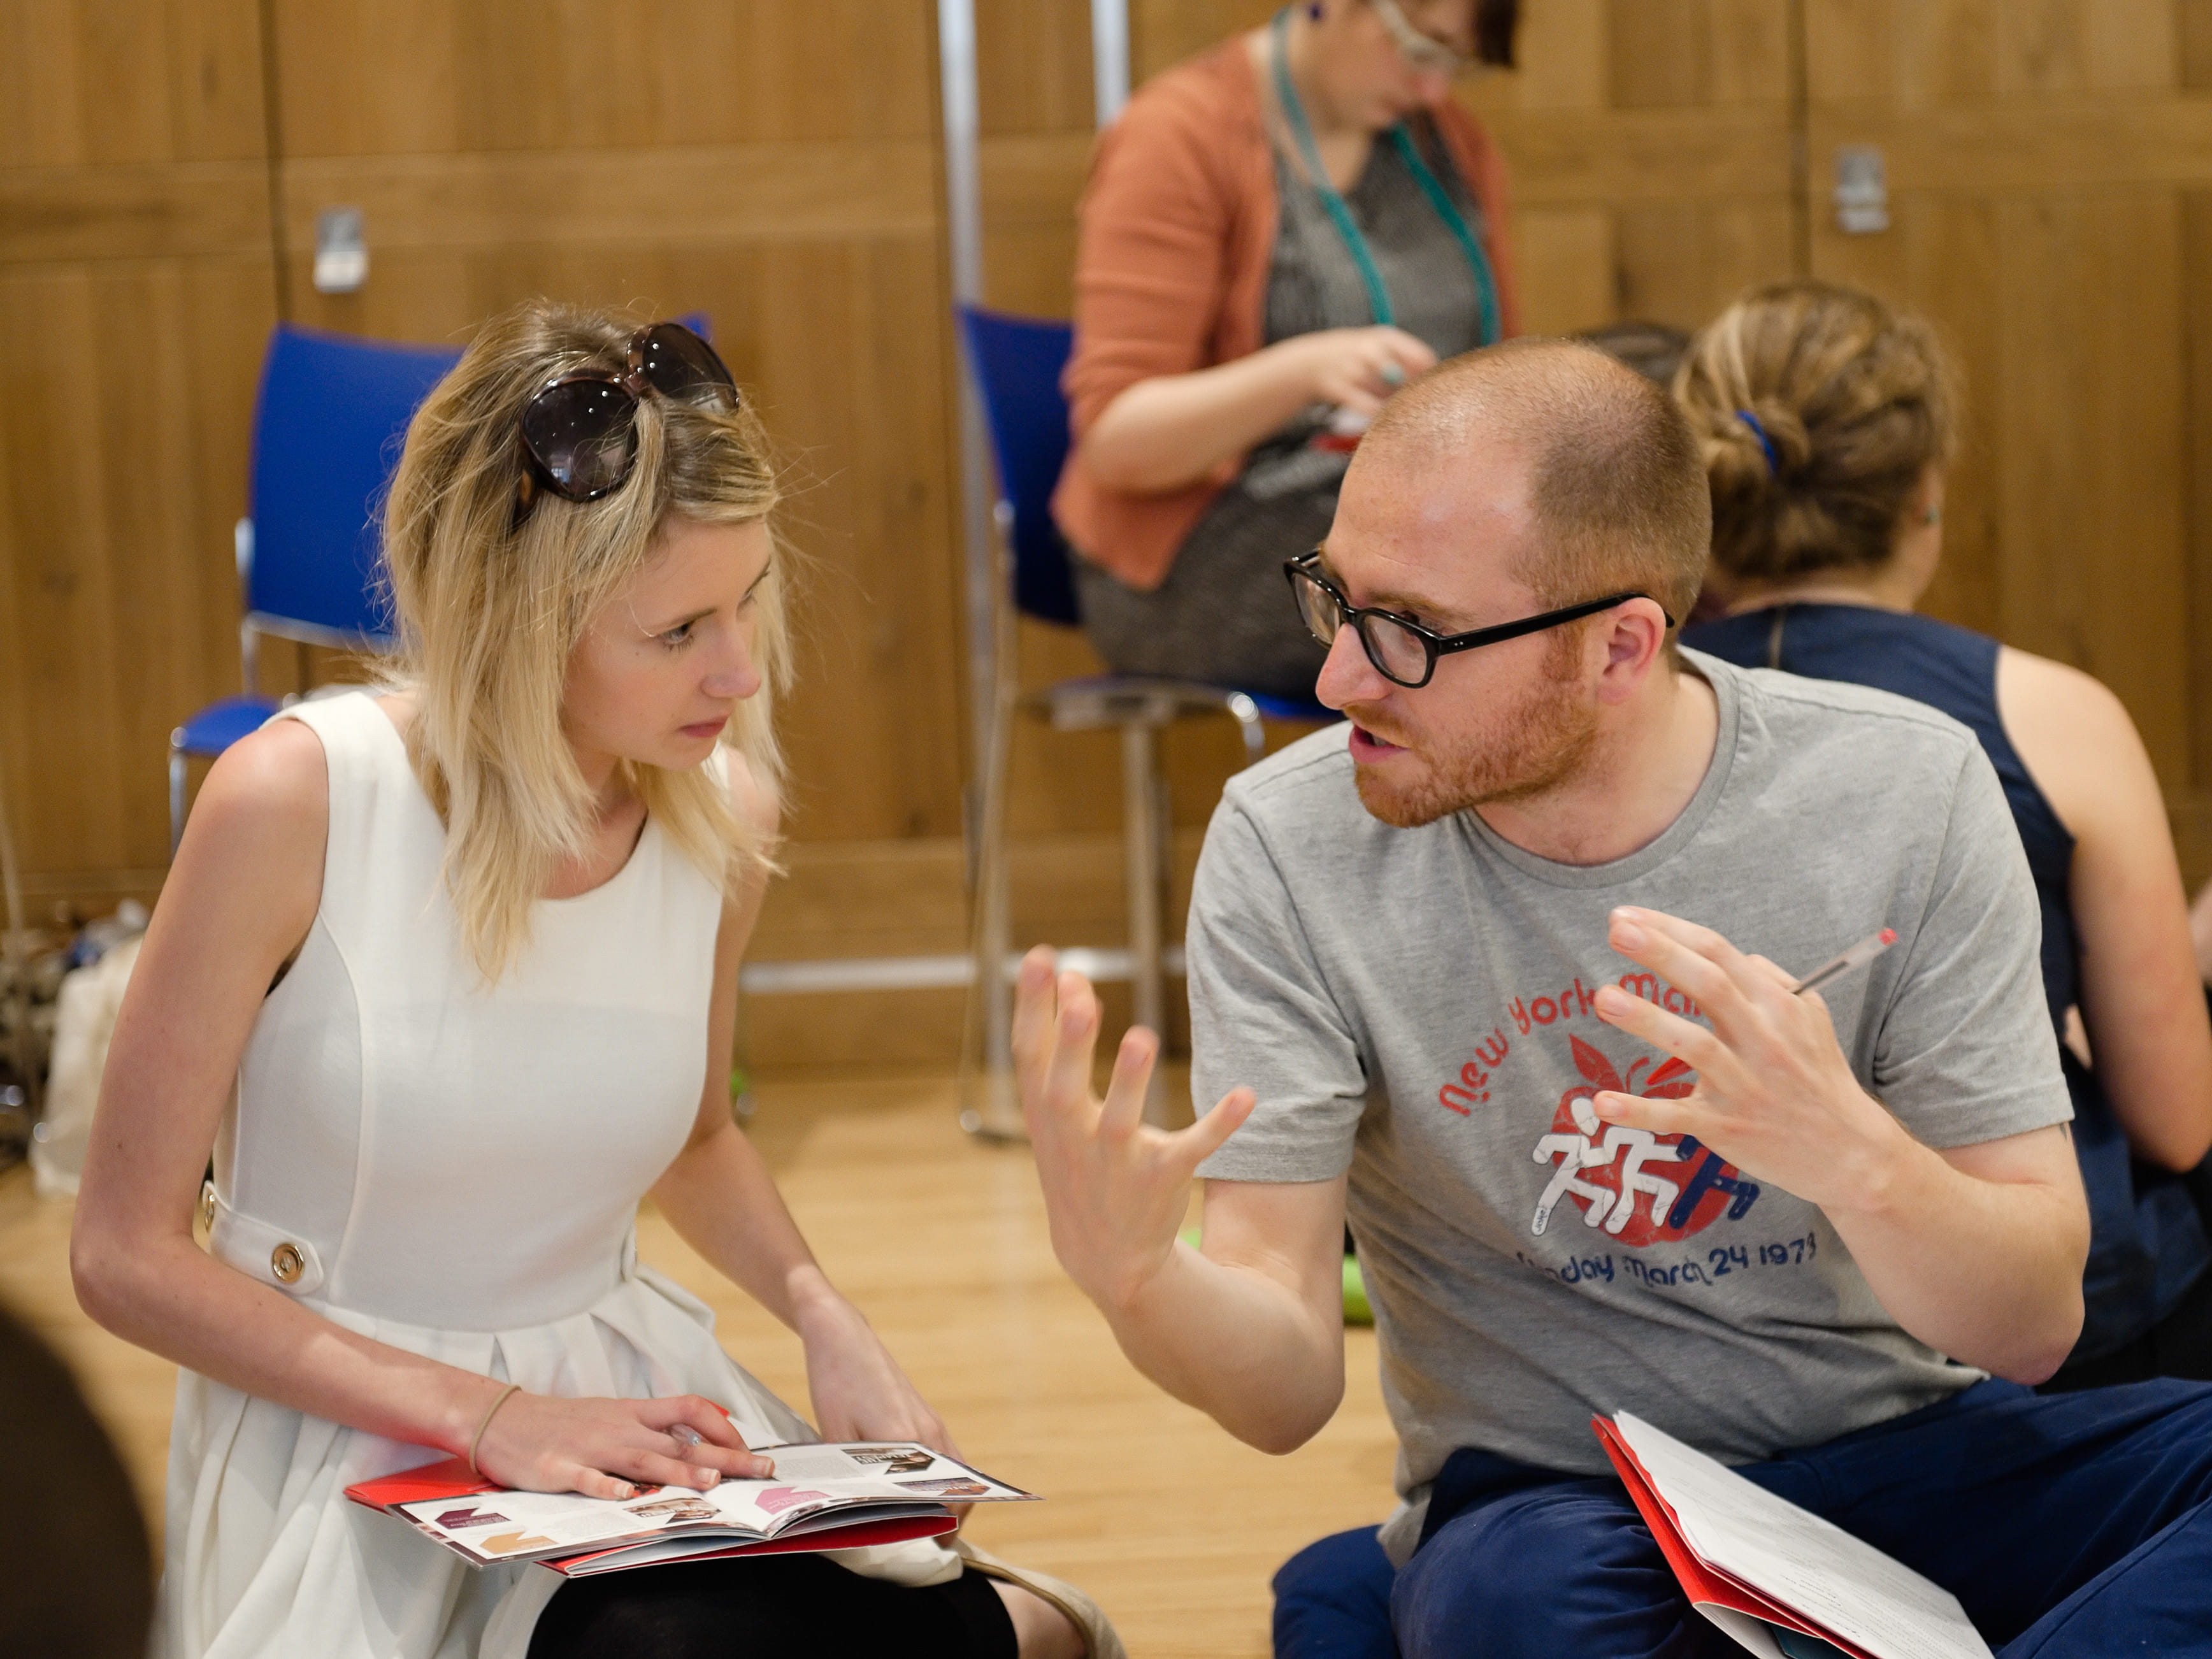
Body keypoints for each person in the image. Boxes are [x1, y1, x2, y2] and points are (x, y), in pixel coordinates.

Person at [1013, 339, 2212, 1658]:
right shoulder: (1287, 847)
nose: (1338, 677)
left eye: (1407, 631)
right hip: (1568, 1509)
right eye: (1331, 598)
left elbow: (2033, 1328)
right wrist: (1135, 1279)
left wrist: (1852, 1156)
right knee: (1503, 1608)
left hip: (1908, 1467)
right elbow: (1286, 1387)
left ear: (1619, 647)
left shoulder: (1906, 789)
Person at [70, 304, 1109, 1659]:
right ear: (517, 619)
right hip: (350, 1432)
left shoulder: (720, 811)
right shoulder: (299, 798)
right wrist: (488, 1417)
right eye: (678, 631)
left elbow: (697, 1131)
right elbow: (120, 1256)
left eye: (748, 603)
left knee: (837, 1628)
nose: (738, 670)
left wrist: (821, 1311)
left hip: (625, 1423)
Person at [1676, 280, 2212, 1387]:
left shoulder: (1602, 716)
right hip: (2017, 1329)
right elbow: (2176, 1120)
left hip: (1678, 1311)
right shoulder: (2052, 716)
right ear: (1924, 494)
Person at [1052, 0, 1521, 701]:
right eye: (1421, 49)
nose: (1434, 89)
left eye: (1456, 63)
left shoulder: (1447, 142)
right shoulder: (1178, 134)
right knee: (1503, 619)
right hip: (1209, 549)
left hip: (1409, 518)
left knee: (1577, 566)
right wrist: (1302, 372)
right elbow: (1119, 440)